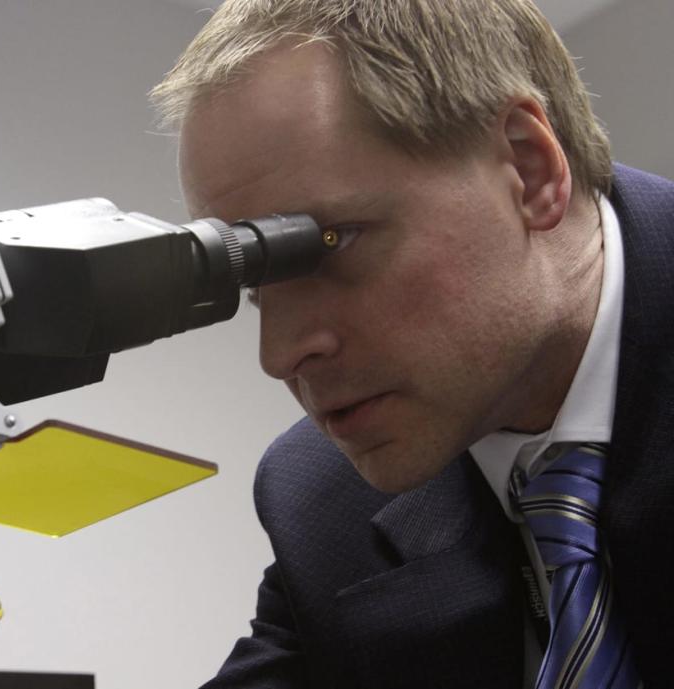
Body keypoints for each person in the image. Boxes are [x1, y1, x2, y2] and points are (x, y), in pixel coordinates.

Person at [150, 1, 674, 687]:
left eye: (326, 245)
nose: (278, 355)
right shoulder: (323, 503)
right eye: (256, 283)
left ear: (529, 170)